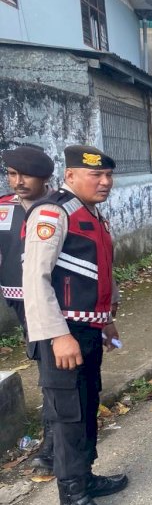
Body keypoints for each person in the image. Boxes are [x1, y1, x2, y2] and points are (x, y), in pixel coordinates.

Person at [23, 145, 127, 505]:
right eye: (95, 176)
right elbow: (36, 279)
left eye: (108, 175)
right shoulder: (53, 213)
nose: (105, 182)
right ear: (70, 177)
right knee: (66, 416)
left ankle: (84, 478)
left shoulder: (92, 214)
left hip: (88, 330)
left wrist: (108, 320)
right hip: (62, 335)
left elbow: (100, 269)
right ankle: (71, 501)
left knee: (86, 405)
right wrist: (56, 336)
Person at [0, 145, 55, 472]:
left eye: (26, 175)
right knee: (42, 360)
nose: (19, 181)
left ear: (44, 178)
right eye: (12, 174)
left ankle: (51, 445)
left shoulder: (58, 207)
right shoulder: (3, 209)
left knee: (51, 370)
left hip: (52, 300)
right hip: (19, 301)